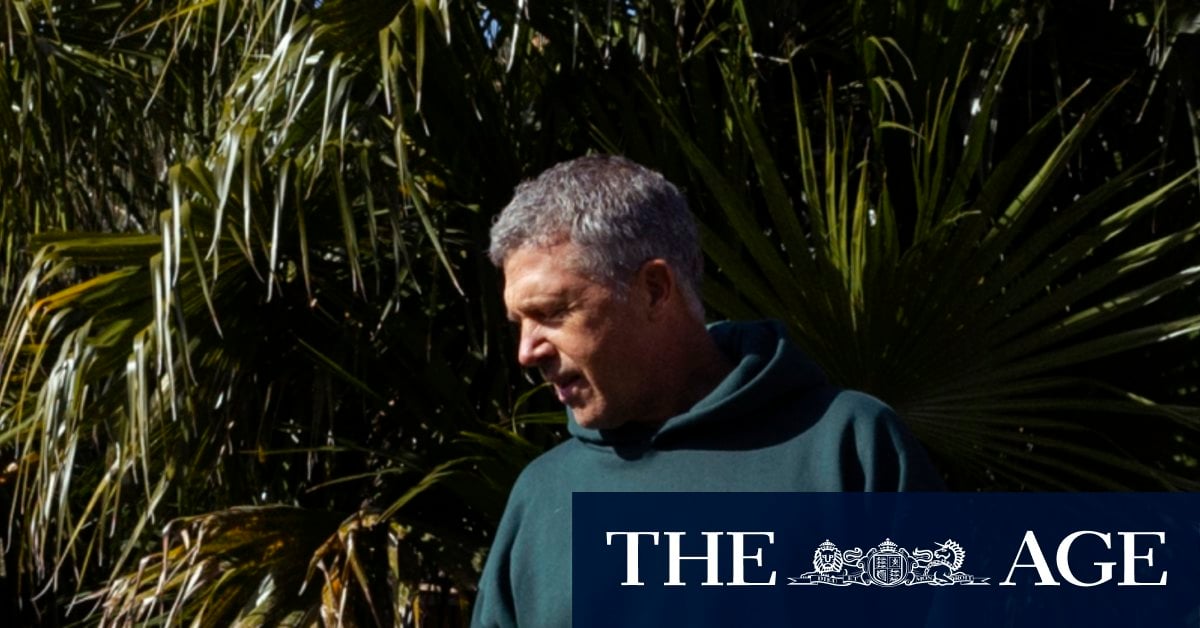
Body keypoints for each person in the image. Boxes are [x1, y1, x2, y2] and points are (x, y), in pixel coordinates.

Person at [471, 155, 943, 627]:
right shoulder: (541, 495)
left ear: (654, 289)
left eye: (552, 312)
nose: (526, 352)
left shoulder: (847, 447)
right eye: (519, 323)